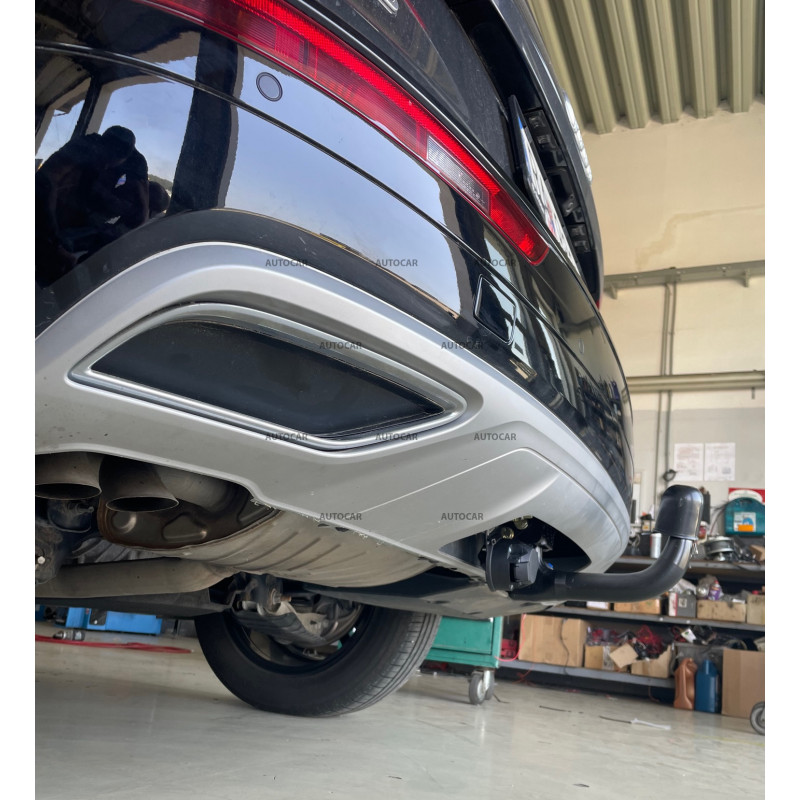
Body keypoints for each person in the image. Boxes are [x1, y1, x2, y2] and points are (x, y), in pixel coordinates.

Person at [35, 126, 149, 286]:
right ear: (99, 146)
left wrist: (112, 234)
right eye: (101, 161)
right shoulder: (84, 145)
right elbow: (45, 183)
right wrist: (53, 241)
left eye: (111, 167)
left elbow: (141, 214)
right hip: (50, 223)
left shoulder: (136, 164)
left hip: (90, 229)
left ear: (125, 159)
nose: (104, 168)